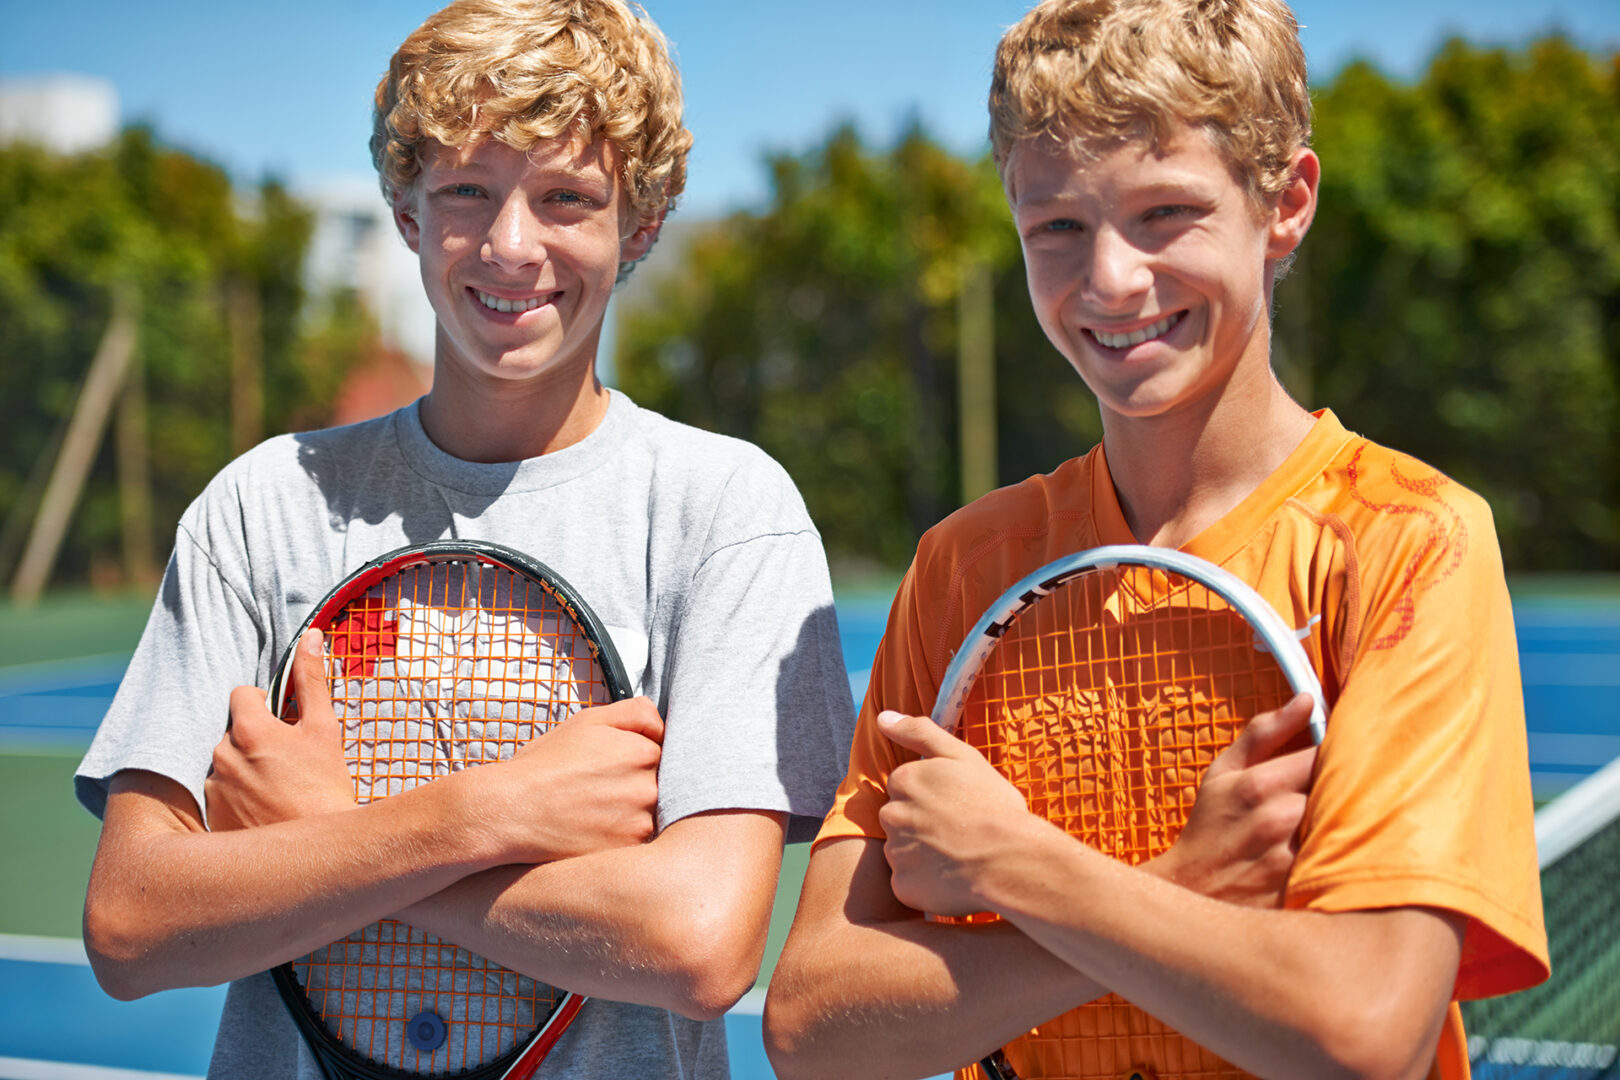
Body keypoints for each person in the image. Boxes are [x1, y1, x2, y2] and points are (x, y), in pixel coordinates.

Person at [762, 1, 1549, 1077]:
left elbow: (1363, 1026)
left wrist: (1014, 865)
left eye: (1165, 213)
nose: (1112, 280)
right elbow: (813, 1030)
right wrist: (1182, 885)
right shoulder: (963, 567)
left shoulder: (1411, 541)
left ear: (1287, 204)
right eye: (1058, 227)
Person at [75, 2, 856, 1077]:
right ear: (405, 209)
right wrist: (478, 815)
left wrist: (329, 829)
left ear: (643, 224)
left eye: (567, 199)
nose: (510, 246)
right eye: (465, 194)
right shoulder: (260, 507)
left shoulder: (725, 511)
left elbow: (698, 940)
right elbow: (129, 923)